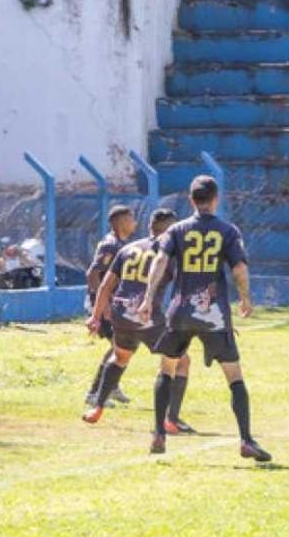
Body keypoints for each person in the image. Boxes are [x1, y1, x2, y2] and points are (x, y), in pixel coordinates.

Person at [138, 175, 271, 462]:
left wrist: (148, 299)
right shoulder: (228, 230)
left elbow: (160, 262)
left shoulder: (176, 230)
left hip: (181, 311)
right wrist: (245, 298)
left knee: (166, 369)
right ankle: (246, 440)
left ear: (191, 200)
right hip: (213, 314)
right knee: (233, 375)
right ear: (216, 199)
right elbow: (239, 269)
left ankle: (159, 433)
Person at [84, 208, 193, 430]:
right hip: (146, 315)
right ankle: (171, 419)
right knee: (181, 361)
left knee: (120, 356)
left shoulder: (128, 248)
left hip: (121, 314)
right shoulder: (169, 253)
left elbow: (106, 285)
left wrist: (96, 316)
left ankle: (98, 406)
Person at [82, 204, 138, 412]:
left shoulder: (123, 244)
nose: (135, 223)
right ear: (121, 222)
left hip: (115, 303)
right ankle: (95, 392)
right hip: (105, 305)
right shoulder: (110, 245)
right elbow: (93, 274)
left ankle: (111, 385)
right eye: (131, 218)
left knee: (125, 346)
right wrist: (102, 304)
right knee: (119, 347)